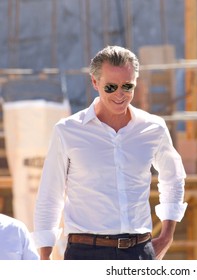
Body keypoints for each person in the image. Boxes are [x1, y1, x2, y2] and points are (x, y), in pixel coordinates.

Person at [32, 45, 187, 260]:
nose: (120, 94)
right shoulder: (67, 131)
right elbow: (50, 194)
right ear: (95, 83)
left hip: (139, 252)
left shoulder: (154, 129)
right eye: (111, 87)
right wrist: (44, 255)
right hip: (85, 255)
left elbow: (173, 177)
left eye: (127, 86)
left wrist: (167, 235)